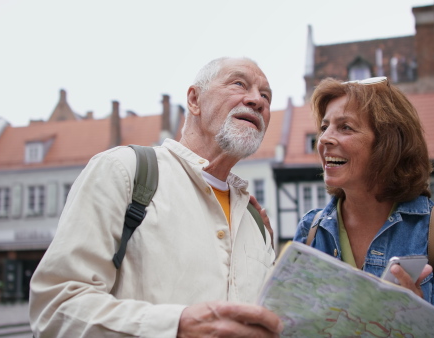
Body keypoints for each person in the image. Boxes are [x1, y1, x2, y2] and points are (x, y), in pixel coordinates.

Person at [29, 57, 283, 337]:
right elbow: (55, 308)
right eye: (239, 83)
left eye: (266, 96)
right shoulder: (125, 171)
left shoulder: (256, 222)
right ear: (195, 99)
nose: (257, 100)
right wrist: (175, 327)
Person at [293, 76, 434, 337]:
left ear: (388, 143)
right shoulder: (310, 230)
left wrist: (416, 322)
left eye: (345, 127)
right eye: (324, 127)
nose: (324, 139)